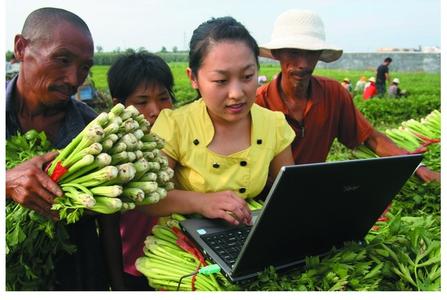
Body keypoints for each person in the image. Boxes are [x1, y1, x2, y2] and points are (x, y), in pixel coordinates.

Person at [141, 16, 295, 225]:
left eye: (248, 76)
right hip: (184, 240)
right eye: (221, 81)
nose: (236, 93)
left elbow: (289, 194)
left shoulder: (273, 124)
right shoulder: (175, 125)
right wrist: (201, 202)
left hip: (245, 231)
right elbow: (150, 200)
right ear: (193, 78)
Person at [5, 7, 118, 290]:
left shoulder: (93, 130)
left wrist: (118, 289)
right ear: (21, 48)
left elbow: (108, 225)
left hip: (78, 276)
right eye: (62, 59)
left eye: (84, 68)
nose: (73, 79)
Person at [256, 9, 439, 183]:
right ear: (277, 54)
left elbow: (370, 137)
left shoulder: (333, 94)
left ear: (319, 55)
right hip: (264, 197)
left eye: (311, 53)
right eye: (294, 52)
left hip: (312, 190)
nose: (303, 64)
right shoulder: (257, 102)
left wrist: (415, 165)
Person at [106, 51, 175, 290]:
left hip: (180, 261)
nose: (155, 110)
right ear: (119, 106)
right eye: (142, 102)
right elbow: (109, 225)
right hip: (135, 264)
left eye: (164, 98)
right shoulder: (113, 156)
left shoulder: (184, 139)